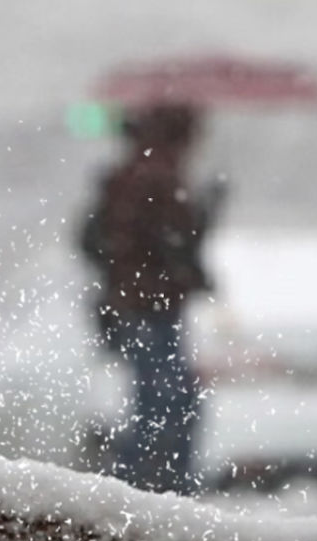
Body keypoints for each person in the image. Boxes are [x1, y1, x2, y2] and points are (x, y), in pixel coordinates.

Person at [80, 104, 218, 494]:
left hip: (139, 305)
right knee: (168, 403)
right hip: (149, 307)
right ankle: (153, 490)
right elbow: (169, 242)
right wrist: (201, 217)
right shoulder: (155, 176)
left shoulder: (135, 172)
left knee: (160, 401)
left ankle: (145, 487)